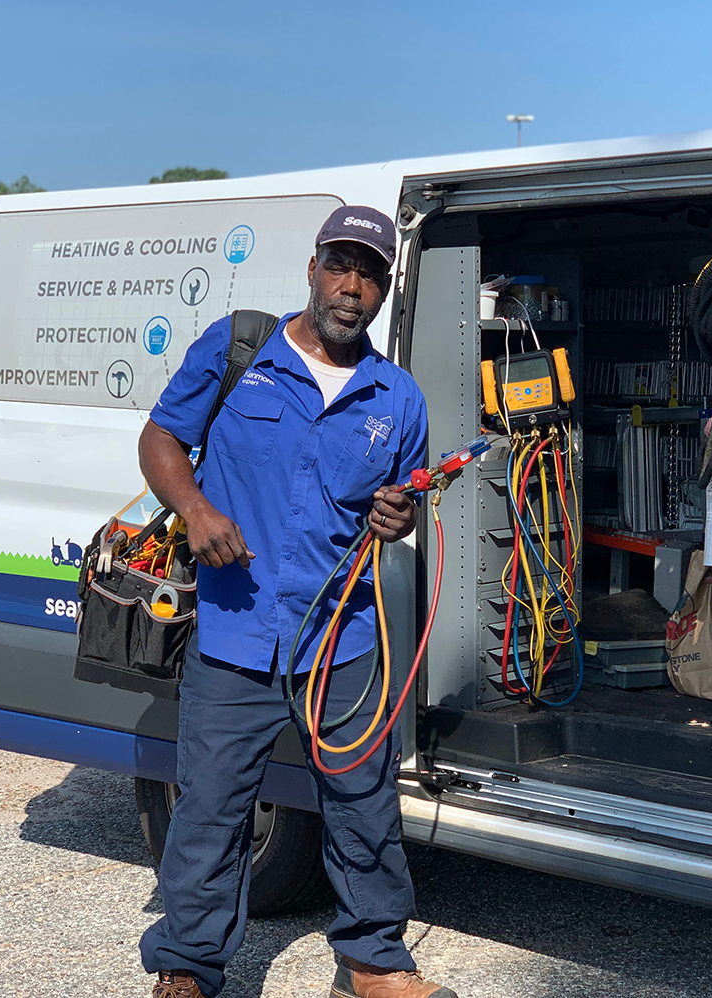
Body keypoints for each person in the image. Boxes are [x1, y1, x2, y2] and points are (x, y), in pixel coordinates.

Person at [136, 205, 457, 998]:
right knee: (211, 809)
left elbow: (398, 503)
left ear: (384, 289)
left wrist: (398, 515)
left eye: (370, 273)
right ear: (312, 267)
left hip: (340, 639)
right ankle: (187, 967)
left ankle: (373, 963)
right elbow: (161, 439)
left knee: (363, 805)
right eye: (340, 266)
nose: (351, 287)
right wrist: (197, 511)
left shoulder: (397, 397)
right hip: (236, 629)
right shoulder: (239, 350)